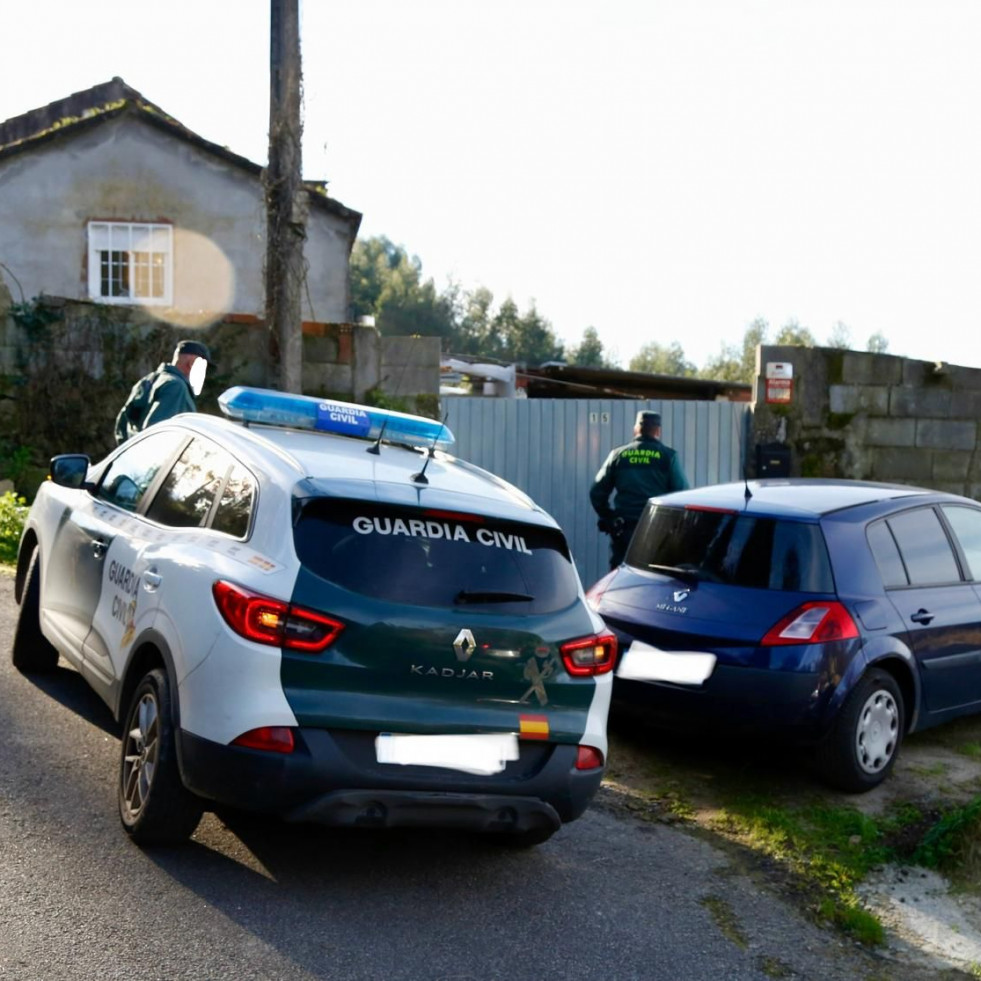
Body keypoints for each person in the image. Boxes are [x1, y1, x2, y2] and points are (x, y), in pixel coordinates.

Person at [590, 410, 690, 569]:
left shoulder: (618, 455)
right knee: (654, 579)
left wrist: (609, 517)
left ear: (636, 429)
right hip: (657, 532)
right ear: (658, 431)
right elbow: (682, 495)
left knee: (620, 578)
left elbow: (596, 492)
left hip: (624, 530)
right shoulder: (668, 457)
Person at [114, 339, 213, 444]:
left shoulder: (150, 380)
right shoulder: (176, 387)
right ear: (192, 363)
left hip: (132, 454)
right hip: (154, 458)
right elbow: (157, 434)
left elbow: (122, 423)